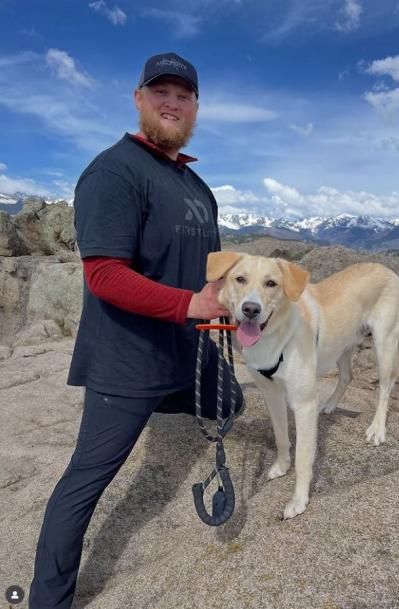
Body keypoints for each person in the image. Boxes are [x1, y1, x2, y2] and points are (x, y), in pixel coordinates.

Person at [28, 52, 243, 609]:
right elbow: (104, 276)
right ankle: (49, 599)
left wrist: (229, 304)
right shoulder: (114, 170)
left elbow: (211, 268)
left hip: (186, 348)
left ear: (196, 107)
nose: (172, 102)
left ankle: (164, 404)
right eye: (161, 91)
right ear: (139, 99)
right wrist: (191, 303)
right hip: (126, 359)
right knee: (86, 480)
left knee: (232, 400)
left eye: (184, 94)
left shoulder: (196, 185)